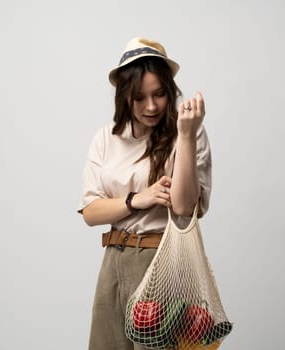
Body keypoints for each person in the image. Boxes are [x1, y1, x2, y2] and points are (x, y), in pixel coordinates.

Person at [78, 37, 212, 350]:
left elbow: (184, 206)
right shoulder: (106, 138)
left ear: (170, 91)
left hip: (161, 263)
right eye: (139, 97)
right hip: (113, 262)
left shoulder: (188, 131)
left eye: (159, 94)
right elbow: (90, 212)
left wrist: (188, 136)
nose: (150, 106)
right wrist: (138, 199)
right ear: (124, 97)